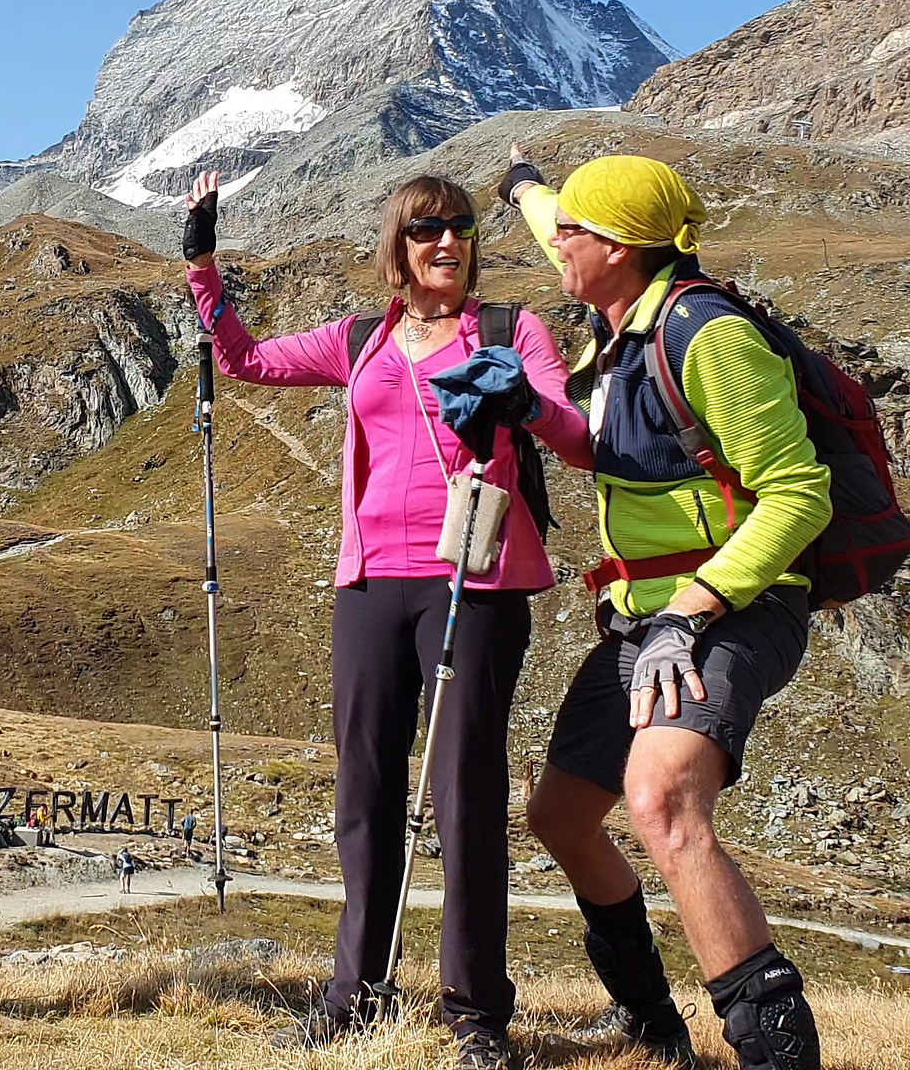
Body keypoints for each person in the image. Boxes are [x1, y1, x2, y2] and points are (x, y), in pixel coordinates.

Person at [183, 169, 592, 1069]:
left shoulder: (510, 330)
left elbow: (576, 434)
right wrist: (203, 263)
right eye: (426, 230)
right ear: (398, 248)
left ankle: (478, 1016)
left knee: (464, 794)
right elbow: (243, 359)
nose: (447, 243)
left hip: (473, 583)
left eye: (460, 228)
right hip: (369, 584)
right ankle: (355, 995)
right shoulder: (362, 339)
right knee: (363, 789)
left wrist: (520, 400)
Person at [501, 150, 831, 1070]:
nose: (553, 244)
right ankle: (653, 1025)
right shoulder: (615, 314)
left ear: (618, 245)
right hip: (638, 623)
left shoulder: (707, 335)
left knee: (661, 801)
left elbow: (799, 495)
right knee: (562, 817)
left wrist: (690, 610)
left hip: (730, 607)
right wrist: (523, 184)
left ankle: (774, 1055)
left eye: (572, 232)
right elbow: (553, 217)